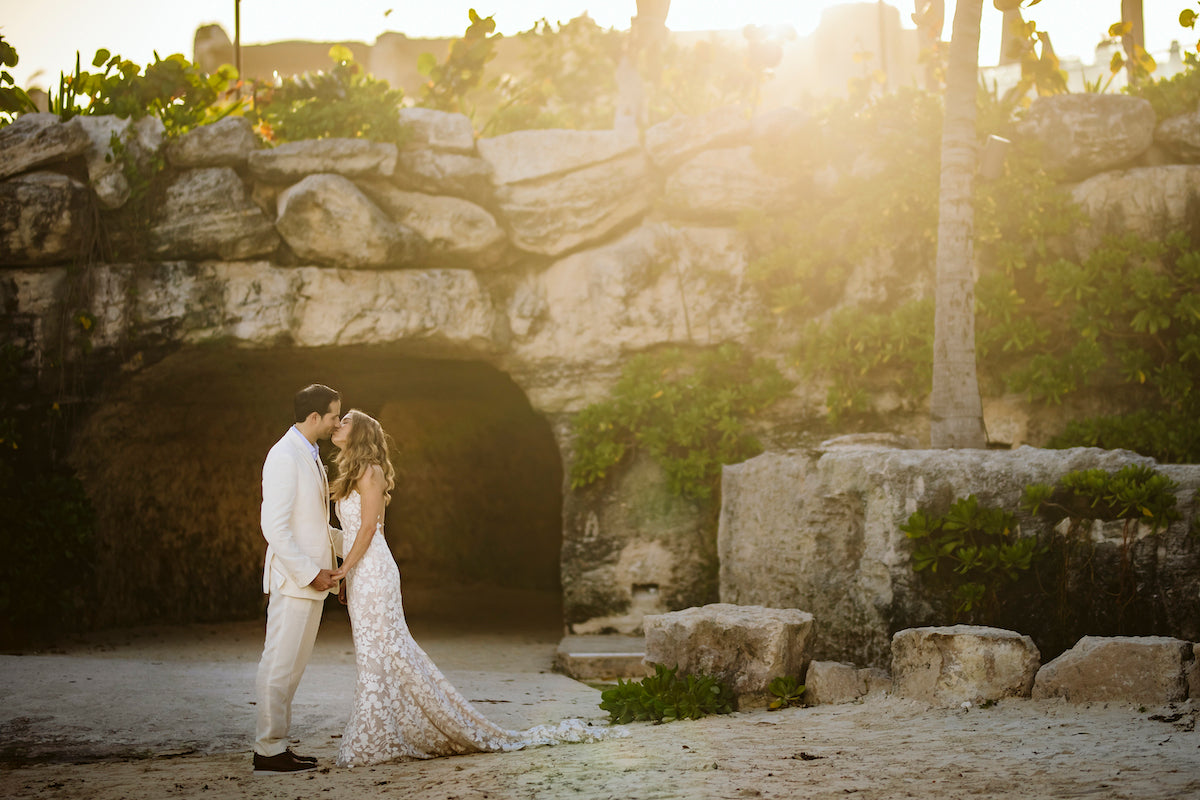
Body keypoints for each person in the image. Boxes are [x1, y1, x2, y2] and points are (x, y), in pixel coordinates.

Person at [328, 408, 624, 768]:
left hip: (373, 568)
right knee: (374, 651)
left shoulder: (371, 471)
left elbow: (372, 530)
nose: (338, 424)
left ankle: (375, 737)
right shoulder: (349, 473)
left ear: (359, 433)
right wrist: (349, 578)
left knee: (386, 648)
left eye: (345, 421)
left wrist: (345, 570)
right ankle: (387, 732)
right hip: (363, 571)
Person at [253, 384, 344, 774]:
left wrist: (357, 542)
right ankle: (268, 750)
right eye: (333, 416)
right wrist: (311, 574)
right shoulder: (283, 456)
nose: (337, 423)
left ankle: (277, 746)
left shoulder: (308, 453)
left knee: (292, 668)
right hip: (296, 581)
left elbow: (313, 524)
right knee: (279, 664)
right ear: (314, 418)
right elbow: (274, 527)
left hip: (310, 584)